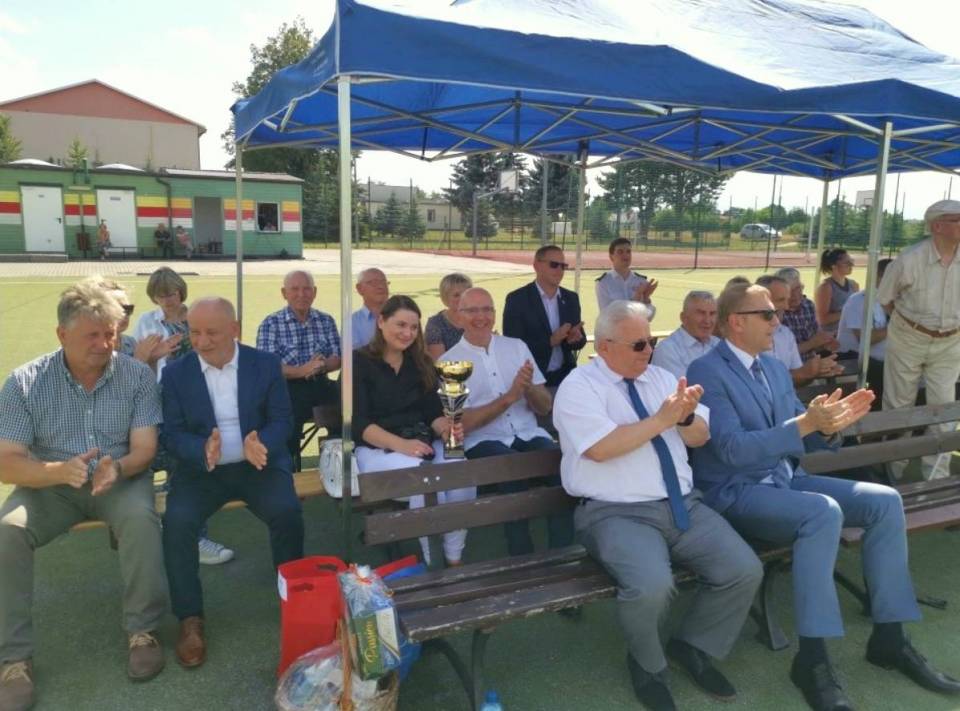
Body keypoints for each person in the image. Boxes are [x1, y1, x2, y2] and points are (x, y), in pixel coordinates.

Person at [687, 283, 960, 710]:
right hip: (736, 492)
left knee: (885, 500)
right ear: (736, 322)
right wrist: (806, 424)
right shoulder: (706, 370)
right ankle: (812, 660)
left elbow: (802, 433)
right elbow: (732, 450)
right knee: (823, 513)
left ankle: (890, 638)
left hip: (785, 481)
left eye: (776, 313)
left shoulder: (773, 367)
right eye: (767, 314)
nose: (777, 320)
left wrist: (829, 426)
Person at [554, 300, 763, 710]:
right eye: (638, 345)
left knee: (743, 569)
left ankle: (693, 646)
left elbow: (701, 435)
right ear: (605, 346)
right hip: (615, 513)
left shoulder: (662, 378)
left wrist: (684, 418)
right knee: (651, 587)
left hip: (682, 505)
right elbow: (600, 449)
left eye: (650, 342)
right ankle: (648, 666)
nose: (648, 351)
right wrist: (663, 419)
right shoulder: (579, 386)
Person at [0, 281, 168, 709]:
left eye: (109, 333)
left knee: (140, 519)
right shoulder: (24, 382)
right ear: (62, 334)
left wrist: (119, 467)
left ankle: (143, 631)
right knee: (7, 530)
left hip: (120, 479)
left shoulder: (136, 374)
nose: (104, 344)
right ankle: (14, 659)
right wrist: (56, 471)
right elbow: (7, 463)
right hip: (50, 487)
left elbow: (145, 448)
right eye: (92, 335)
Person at [160, 298, 304, 669]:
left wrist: (262, 442)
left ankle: (292, 599)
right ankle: (190, 619)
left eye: (212, 332)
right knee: (177, 523)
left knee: (287, 512)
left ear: (235, 330)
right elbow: (171, 434)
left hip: (258, 466)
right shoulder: (176, 373)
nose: (201, 341)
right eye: (194, 332)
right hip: (202, 471)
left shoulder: (264, 364)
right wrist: (200, 449)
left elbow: (283, 420)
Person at [446, 288, 572, 556]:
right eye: (472, 310)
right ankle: (521, 558)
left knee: (560, 465)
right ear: (458, 316)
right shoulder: (449, 362)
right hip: (483, 440)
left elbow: (544, 406)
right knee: (510, 470)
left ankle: (563, 555)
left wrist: (528, 388)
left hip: (528, 432)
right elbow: (461, 424)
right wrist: (509, 397)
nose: (481, 317)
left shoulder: (516, 347)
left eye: (487, 309)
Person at [353, 295, 476, 566]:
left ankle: (453, 557)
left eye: (413, 327)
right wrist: (402, 445)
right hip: (378, 450)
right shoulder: (358, 363)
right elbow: (358, 423)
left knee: (461, 471)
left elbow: (432, 412)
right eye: (400, 325)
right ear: (381, 321)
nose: (407, 333)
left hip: (423, 443)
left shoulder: (420, 362)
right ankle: (434, 562)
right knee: (426, 478)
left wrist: (445, 428)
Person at [132, 267, 234, 565]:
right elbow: (138, 366)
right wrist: (156, 356)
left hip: (193, 398)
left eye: (172, 293)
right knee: (162, 462)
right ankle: (161, 530)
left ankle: (194, 536)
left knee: (190, 463)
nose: (167, 300)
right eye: (160, 295)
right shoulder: (146, 322)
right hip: (155, 400)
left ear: (181, 292)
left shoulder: (197, 319)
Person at [878, 199, 960, 480]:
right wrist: (912, 327)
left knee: (944, 409)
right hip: (908, 338)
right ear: (937, 226)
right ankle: (892, 473)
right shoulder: (909, 259)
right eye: (957, 219)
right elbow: (885, 298)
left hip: (951, 341)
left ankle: (936, 476)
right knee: (899, 406)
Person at [256, 270, 342, 463]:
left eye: (307, 289)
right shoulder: (271, 324)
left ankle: (337, 463)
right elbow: (268, 368)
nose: (301, 294)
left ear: (315, 292)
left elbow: (337, 358)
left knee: (348, 408)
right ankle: (289, 468)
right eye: (295, 289)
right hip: (287, 387)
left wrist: (321, 366)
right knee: (287, 424)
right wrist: (303, 370)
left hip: (320, 382)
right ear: (284, 293)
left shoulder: (326, 320)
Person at [503, 245, 587, 388]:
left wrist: (575, 339)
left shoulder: (571, 298)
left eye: (563, 266)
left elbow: (579, 341)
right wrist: (550, 341)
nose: (559, 270)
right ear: (537, 266)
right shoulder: (517, 299)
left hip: (565, 378)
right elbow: (512, 347)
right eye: (554, 265)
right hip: (532, 382)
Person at [756, 275, 843, 387]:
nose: (786, 306)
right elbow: (758, 382)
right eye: (781, 300)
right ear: (762, 300)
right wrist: (806, 372)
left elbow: (797, 379)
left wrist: (813, 372)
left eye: (799, 288)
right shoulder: (747, 335)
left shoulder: (785, 333)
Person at [837, 258, 892, 407]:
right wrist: (897, 324)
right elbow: (866, 340)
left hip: (881, 361)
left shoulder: (895, 300)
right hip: (855, 359)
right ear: (880, 277)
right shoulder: (858, 301)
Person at [649, 290, 719, 378]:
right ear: (684, 317)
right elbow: (680, 385)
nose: (707, 320)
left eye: (712, 314)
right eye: (701, 313)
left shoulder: (718, 344)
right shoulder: (667, 350)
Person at [776, 267, 839, 361]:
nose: (795, 295)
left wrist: (826, 342)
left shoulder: (808, 305)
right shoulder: (776, 312)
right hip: (788, 366)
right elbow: (781, 353)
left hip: (812, 363)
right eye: (790, 291)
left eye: (798, 288)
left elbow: (816, 337)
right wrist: (812, 343)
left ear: (802, 286)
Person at [595, 237, 658, 317]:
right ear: (611, 257)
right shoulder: (604, 282)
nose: (625, 255)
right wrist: (636, 297)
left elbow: (649, 317)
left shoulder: (641, 281)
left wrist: (646, 298)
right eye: (620, 252)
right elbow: (608, 315)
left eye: (628, 251)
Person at [425, 273, 472, 360]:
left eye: (466, 293)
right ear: (445, 298)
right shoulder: (436, 323)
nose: (462, 298)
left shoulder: (478, 318)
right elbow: (440, 361)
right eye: (456, 295)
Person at [814, 248, 859, 334]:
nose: (852, 265)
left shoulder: (854, 285)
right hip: (832, 334)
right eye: (846, 263)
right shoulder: (825, 287)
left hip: (850, 332)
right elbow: (822, 319)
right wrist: (848, 311)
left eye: (851, 261)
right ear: (833, 265)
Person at [351, 268, 390, 349]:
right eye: (373, 283)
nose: (381, 286)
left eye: (383, 282)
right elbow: (354, 354)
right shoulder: (352, 323)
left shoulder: (401, 316)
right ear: (359, 288)